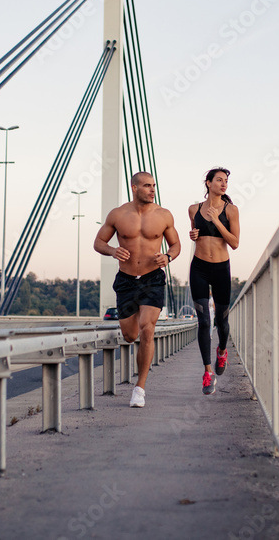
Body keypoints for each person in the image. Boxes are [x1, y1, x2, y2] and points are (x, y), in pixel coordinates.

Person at [94, 171, 181, 408]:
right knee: (130, 335)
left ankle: (139, 388)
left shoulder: (163, 215)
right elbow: (98, 242)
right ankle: (138, 379)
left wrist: (168, 257)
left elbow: (175, 245)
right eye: (146, 186)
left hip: (152, 278)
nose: (152, 189)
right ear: (134, 188)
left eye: (154, 185)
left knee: (147, 329)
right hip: (126, 280)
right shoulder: (118, 214)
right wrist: (112, 251)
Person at [188, 167, 239, 395]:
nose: (223, 184)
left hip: (220, 269)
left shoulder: (231, 210)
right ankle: (207, 373)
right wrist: (193, 235)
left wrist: (218, 222)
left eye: (226, 181)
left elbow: (235, 242)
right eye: (219, 180)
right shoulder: (193, 209)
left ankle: (221, 351)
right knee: (204, 321)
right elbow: (196, 233)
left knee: (221, 320)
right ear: (208, 183)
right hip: (199, 267)